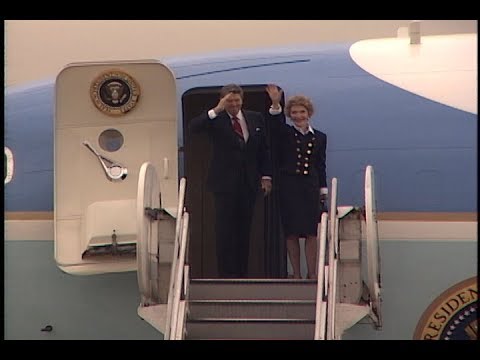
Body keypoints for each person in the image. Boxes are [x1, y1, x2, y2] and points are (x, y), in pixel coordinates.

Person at [189, 84, 272, 278]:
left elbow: (263, 150)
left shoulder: (255, 118)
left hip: (249, 183)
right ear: (222, 100)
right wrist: (217, 110)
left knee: (244, 230)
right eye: (229, 101)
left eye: (237, 100)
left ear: (242, 100)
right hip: (224, 185)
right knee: (224, 231)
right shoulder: (215, 119)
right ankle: (226, 275)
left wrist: (266, 176)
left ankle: (242, 274)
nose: (234, 104)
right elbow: (194, 127)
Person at [266, 84, 328, 280]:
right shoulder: (285, 133)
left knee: (311, 232)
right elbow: (274, 124)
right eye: (294, 112)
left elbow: (320, 164)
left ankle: (311, 272)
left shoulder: (319, 137)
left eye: (302, 112)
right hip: (289, 187)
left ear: (308, 113)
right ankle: (296, 273)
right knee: (291, 232)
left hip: (309, 187)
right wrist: (275, 103)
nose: (298, 116)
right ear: (290, 115)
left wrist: (322, 189)